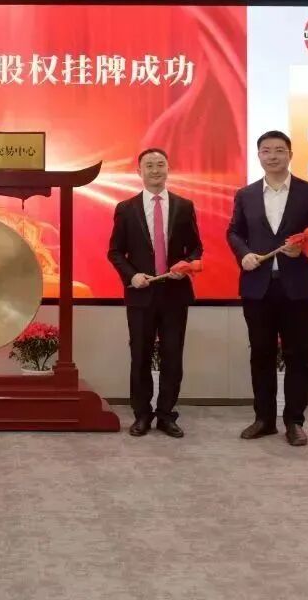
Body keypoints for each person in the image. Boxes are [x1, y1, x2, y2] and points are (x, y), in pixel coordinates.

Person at [227, 130, 308, 447]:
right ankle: (264, 419)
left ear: (290, 154)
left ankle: (294, 422)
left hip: (296, 288)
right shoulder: (245, 195)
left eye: (279, 150)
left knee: (297, 355)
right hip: (257, 288)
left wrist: (304, 248)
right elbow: (234, 232)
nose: (272, 156)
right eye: (266, 150)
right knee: (260, 354)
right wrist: (243, 254)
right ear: (258, 155)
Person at [108, 148, 203, 438]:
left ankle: (166, 415)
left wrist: (186, 265)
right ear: (139, 172)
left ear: (168, 169)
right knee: (140, 355)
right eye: (149, 165)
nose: (155, 170)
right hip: (141, 294)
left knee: (173, 355)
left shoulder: (184, 206)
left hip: (175, 293)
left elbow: (196, 248)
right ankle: (142, 415)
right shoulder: (126, 208)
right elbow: (115, 252)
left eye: (160, 164)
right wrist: (132, 275)